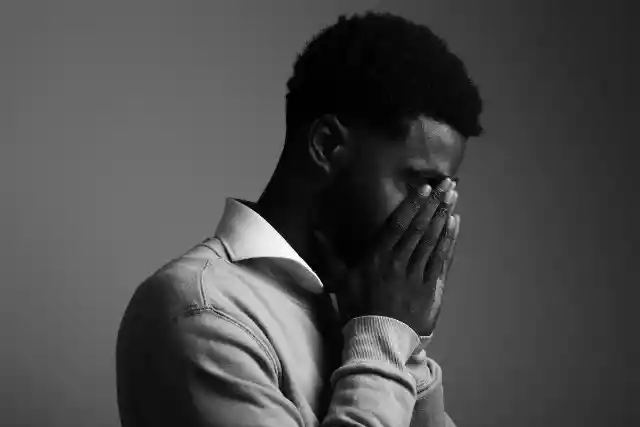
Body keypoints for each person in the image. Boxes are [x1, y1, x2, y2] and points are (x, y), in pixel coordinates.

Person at [116, 11, 483, 427]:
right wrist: (385, 336)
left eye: (445, 192)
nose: (436, 215)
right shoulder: (202, 310)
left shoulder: (358, 309)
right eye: (421, 185)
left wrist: (405, 346)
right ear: (326, 146)